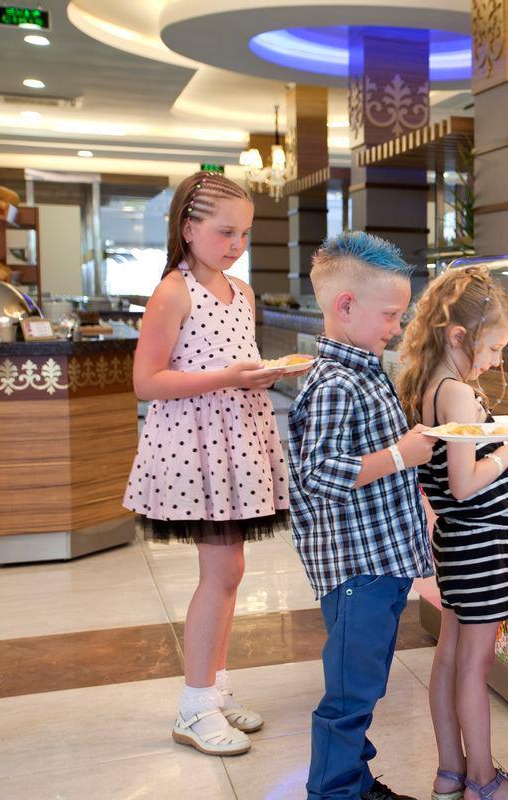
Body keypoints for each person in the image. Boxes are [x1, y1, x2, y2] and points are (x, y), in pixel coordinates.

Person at [124, 170, 288, 756]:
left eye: (243, 234)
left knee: (231, 572)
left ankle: (214, 690)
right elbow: (147, 381)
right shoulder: (174, 291)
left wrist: (257, 374)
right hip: (195, 446)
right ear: (188, 228)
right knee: (219, 573)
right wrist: (228, 377)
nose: (235, 245)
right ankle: (194, 706)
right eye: (224, 232)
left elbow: (234, 361)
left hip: (235, 440)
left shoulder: (241, 292)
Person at [288, 231, 436, 800]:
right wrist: (402, 454)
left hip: (380, 561)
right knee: (350, 694)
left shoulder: (365, 370)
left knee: (366, 683)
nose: (397, 326)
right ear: (346, 306)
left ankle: (353, 780)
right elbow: (320, 473)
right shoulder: (335, 382)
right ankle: (332, 791)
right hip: (357, 568)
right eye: (391, 315)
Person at [396, 267, 508, 800]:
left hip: (458, 543)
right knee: (473, 668)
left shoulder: (428, 383)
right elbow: (462, 484)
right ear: (459, 336)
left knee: (450, 657)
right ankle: (484, 780)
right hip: (479, 542)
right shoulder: (456, 394)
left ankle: (450, 772)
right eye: (494, 347)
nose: (498, 360)